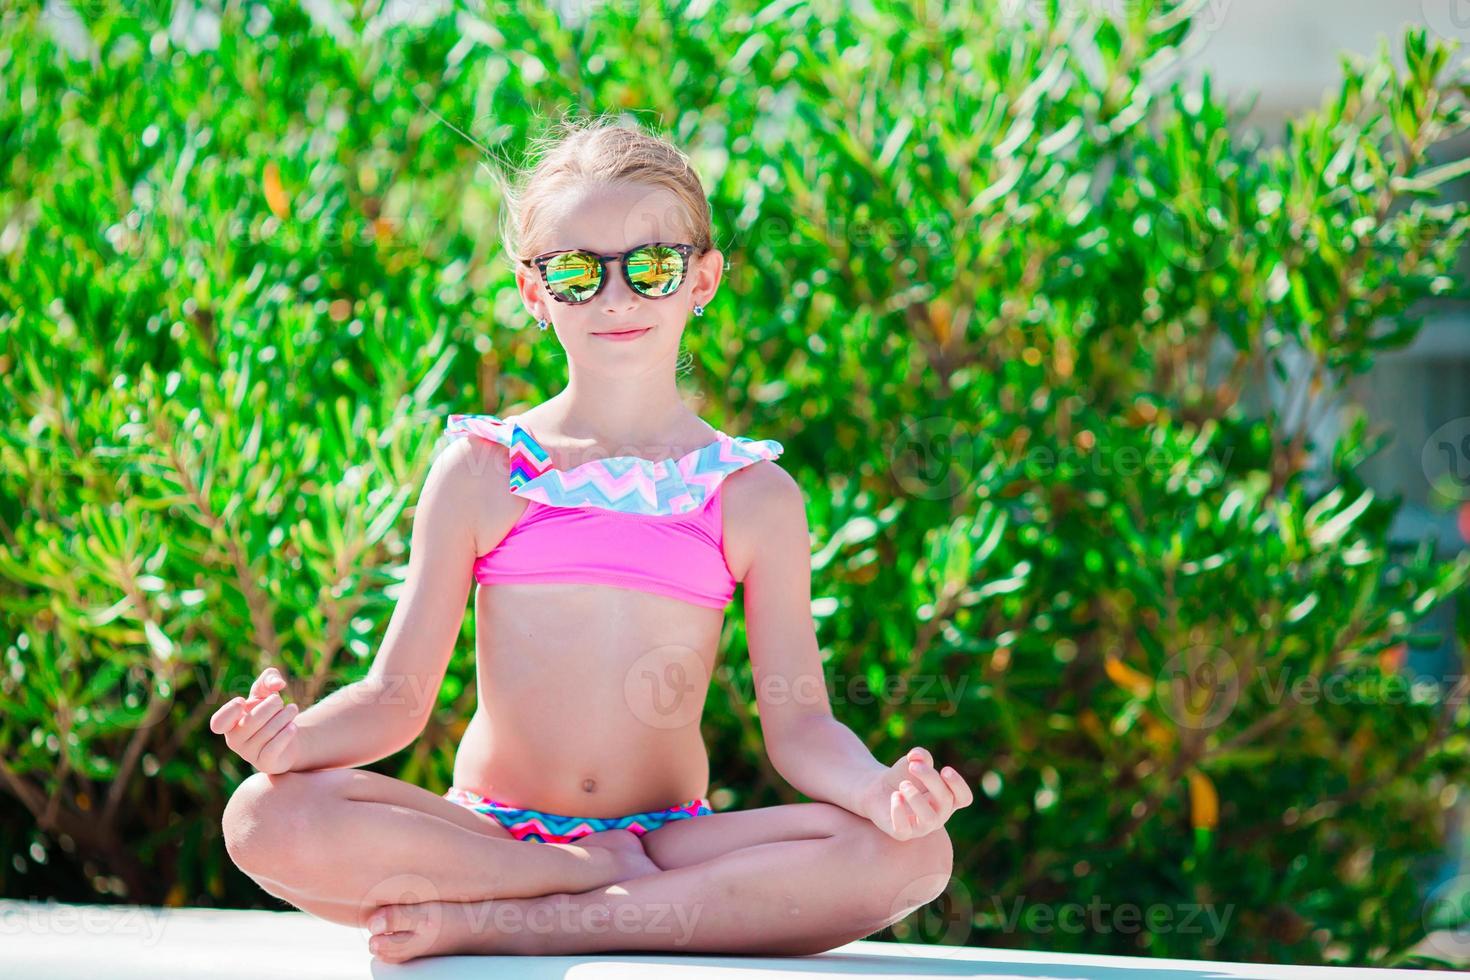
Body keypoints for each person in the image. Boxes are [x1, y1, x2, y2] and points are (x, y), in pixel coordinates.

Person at [214, 115, 972, 963]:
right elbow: (395, 699)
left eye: (651, 267)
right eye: (578, 272)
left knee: (914, 856)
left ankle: (514, 921)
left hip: (665, 843)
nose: (617, 297)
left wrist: (879, 790)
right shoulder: (482, 470)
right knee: (263, 813)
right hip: (489, 834)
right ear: (535, 291)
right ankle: (566, 879)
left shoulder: (752, 496)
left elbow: (800, 731)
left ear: (703, 278)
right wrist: (293, 740)